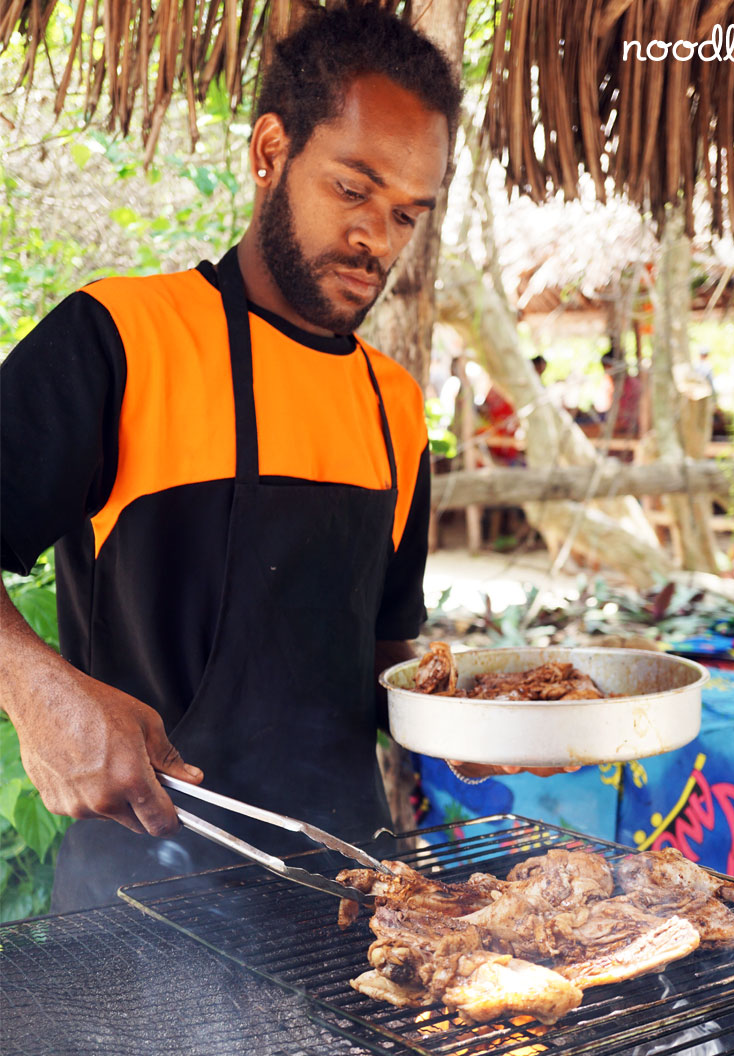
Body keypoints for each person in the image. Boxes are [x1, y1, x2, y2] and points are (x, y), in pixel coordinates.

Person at [0, 3, 463, 912]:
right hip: (144, 913)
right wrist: (31, 686)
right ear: (269, 152)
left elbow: (382, 656)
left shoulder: (395, 407)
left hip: (348, 899)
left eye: (409, 213)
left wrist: (464, 718)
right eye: (354, 189)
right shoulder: (124, 339)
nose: (380, 239)